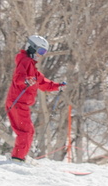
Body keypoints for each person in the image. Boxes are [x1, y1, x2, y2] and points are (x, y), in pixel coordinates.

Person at [5, 34, 64, 162]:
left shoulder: (32, 67)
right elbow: (18, 77)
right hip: (17, 102)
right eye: (41, 51)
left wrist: (57, 86)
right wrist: (26, 80)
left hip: (21, 104)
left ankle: (19, 156)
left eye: (44, 53)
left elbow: (43, 83)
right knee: (25, 131)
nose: (41, 55)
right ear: (32, 47)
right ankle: (17, 158)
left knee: (28, 131)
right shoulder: (25, 61)